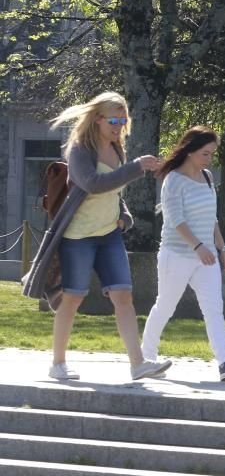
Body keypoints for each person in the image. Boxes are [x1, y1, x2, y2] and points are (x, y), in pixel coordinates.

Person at [21, 91, 170, 380]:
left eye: (123, 121)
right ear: (97, 119)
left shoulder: (117, 148)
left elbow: (114, 192)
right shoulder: (80, 149)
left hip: (109, 236)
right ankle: (58, 364)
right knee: (72, 299)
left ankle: (138, 364)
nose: (118, 126)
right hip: (78, 236)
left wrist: (124, 216)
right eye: (113, 120)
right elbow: (92, 184)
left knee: (123, 296)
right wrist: (137, 167)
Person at [140, 127, 225, 381]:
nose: (209, 159)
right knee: (165, 306)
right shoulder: (173, 180)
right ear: (190, 151)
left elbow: (211, 218)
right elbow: (175, 219)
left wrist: (221, 247)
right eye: (205, 153)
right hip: (176, 255)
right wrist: (198, 246)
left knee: (214, 309)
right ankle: (147, 358)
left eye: (212, 154)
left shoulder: (208, 177)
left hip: (207, 257)